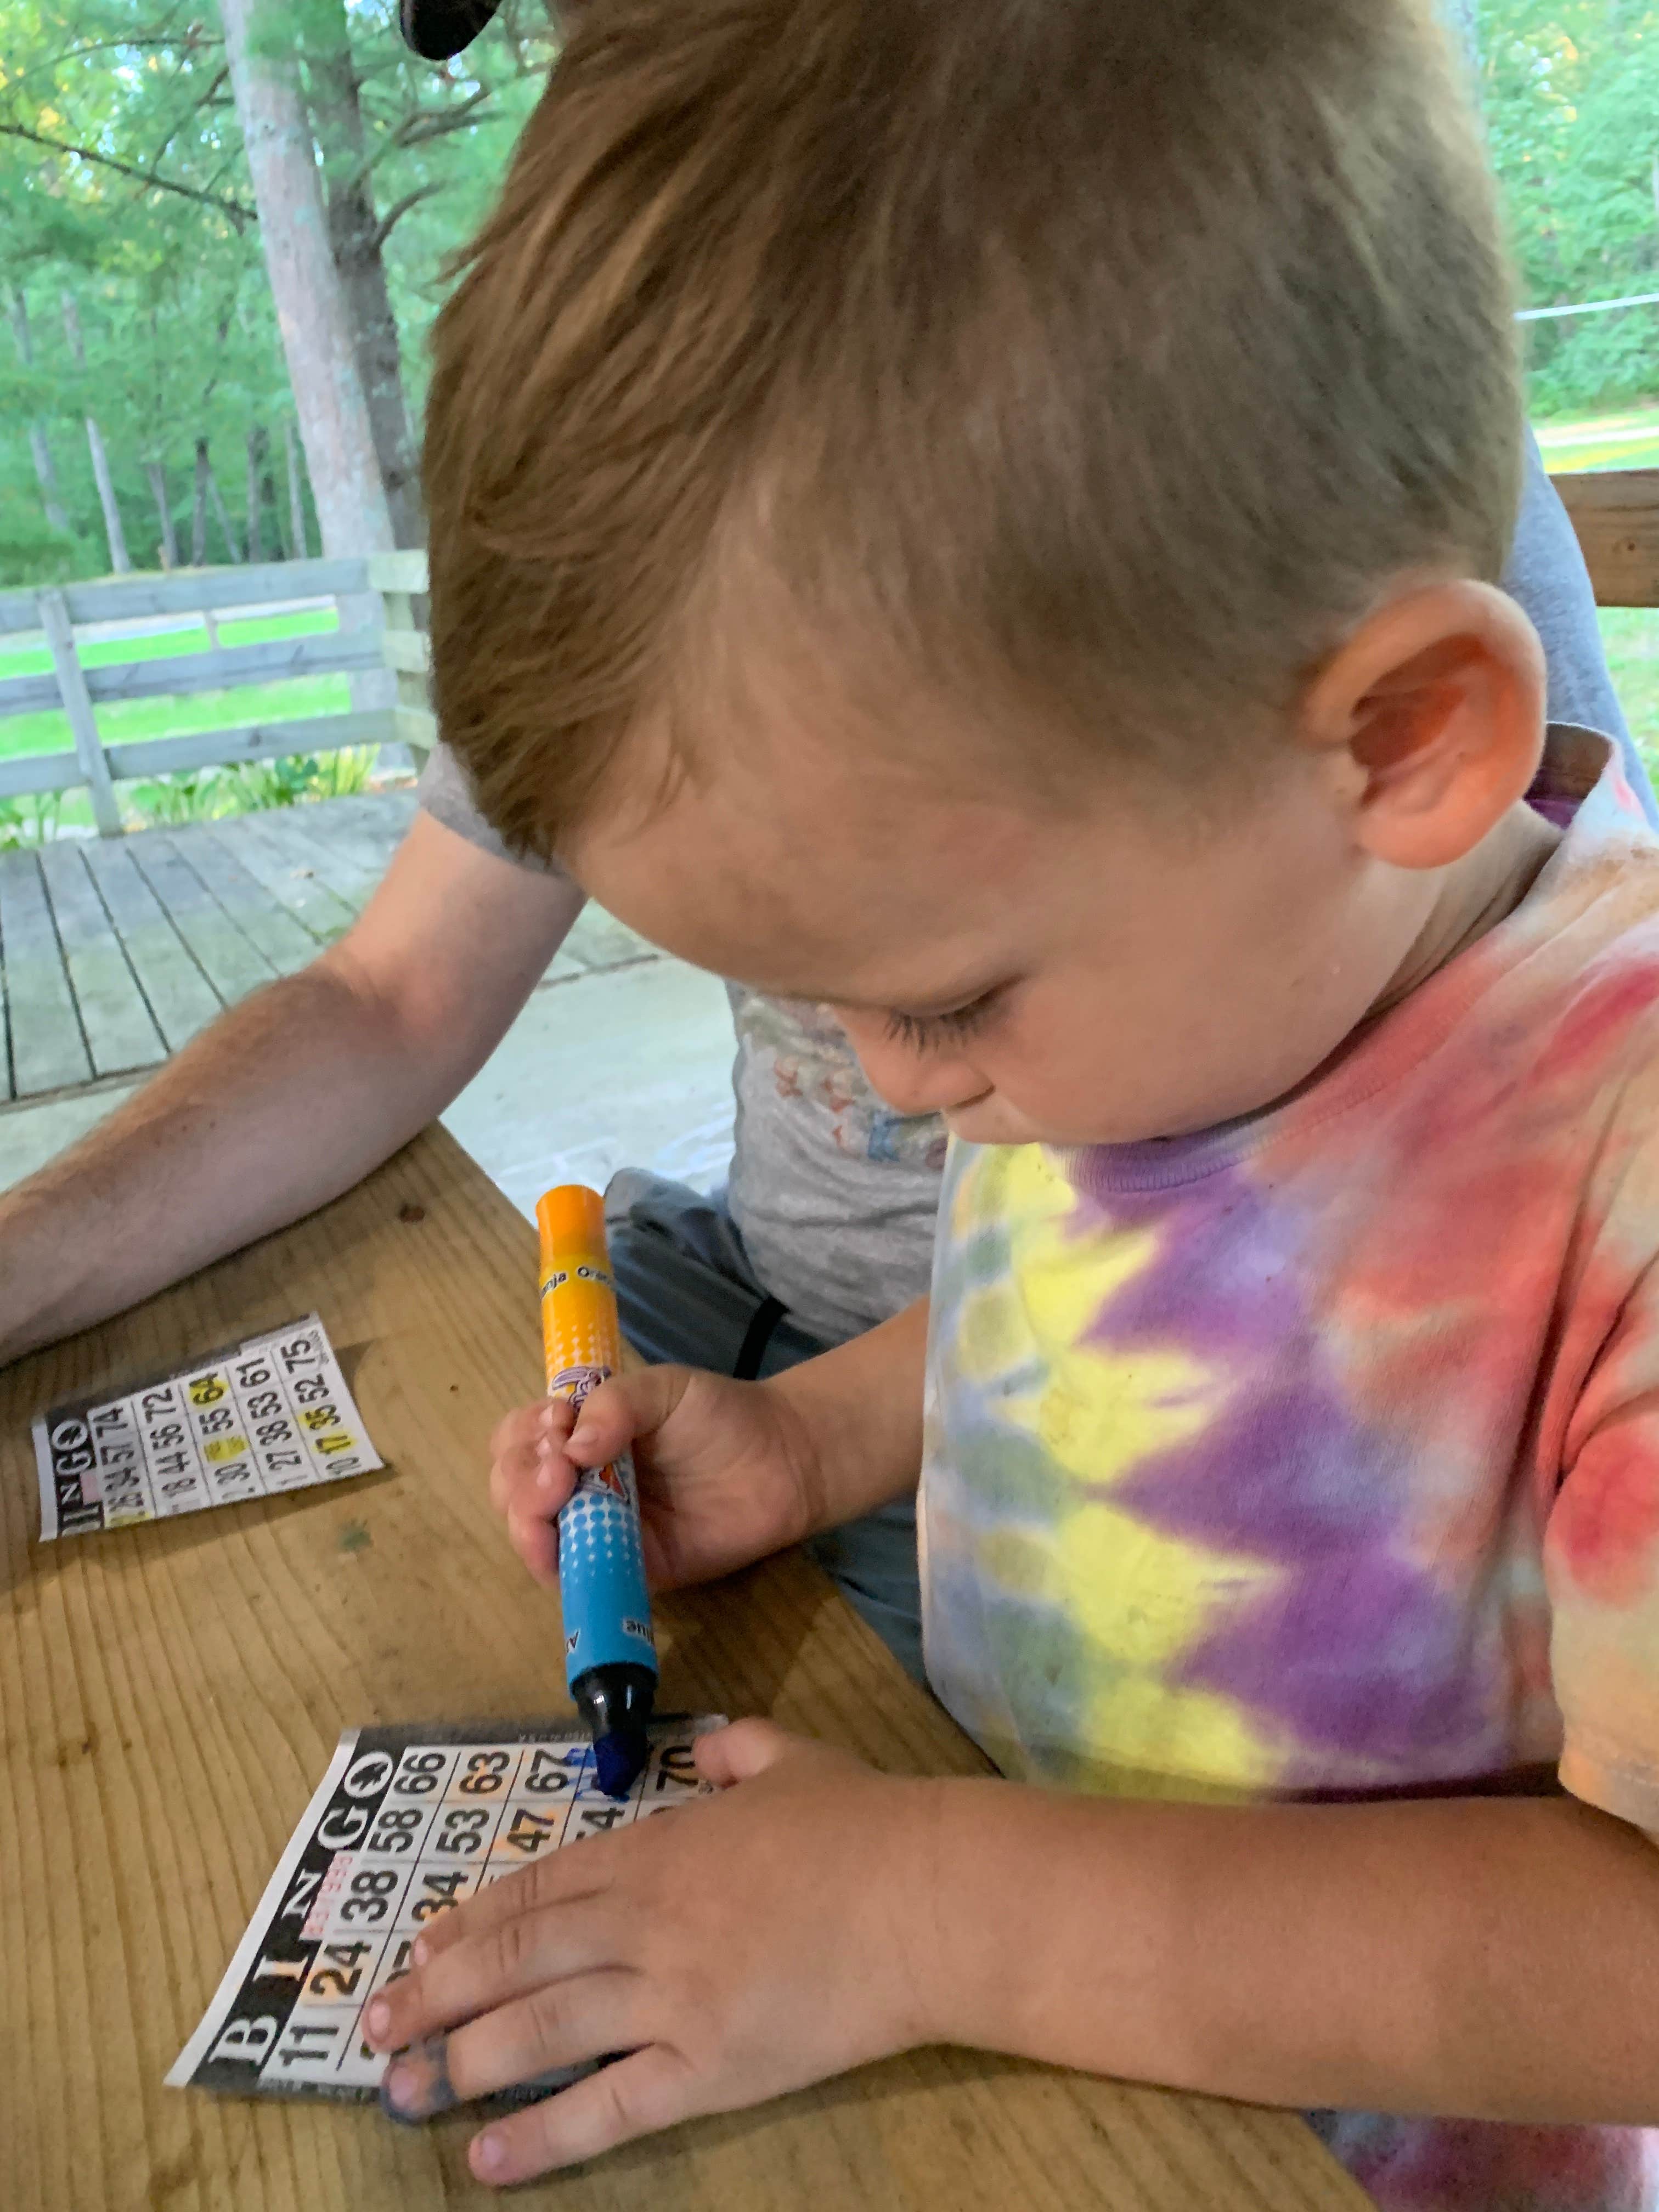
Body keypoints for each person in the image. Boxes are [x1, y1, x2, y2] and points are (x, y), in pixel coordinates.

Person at [348, 2, 1659, 2207]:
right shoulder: (1205, 975)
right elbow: (1171, 1307)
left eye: (944, 1003)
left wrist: (936, 1913)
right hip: (1011, 2085)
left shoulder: (1613, 1154)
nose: (899, 1091)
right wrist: (824, 1432)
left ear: (1406, 740)